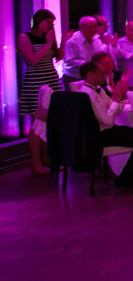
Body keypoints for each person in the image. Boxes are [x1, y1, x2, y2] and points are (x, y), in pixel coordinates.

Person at [18, 9, 64, 175]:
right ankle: (35, 162)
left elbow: (58, 57)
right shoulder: (25, 37)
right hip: (35, 83)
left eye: (52, 23)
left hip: (52, 79)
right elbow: (33, 60)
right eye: (48, 23)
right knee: (37, 123)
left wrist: (62, 42)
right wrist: (47, 44)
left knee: (52, 121)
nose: (50, 26)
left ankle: (47, 156)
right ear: (38, 20)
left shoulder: (49, 37)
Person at [78, 61, 133, 186]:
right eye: (100, 73)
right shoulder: (88, 95)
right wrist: (116, 99)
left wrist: (119, 97)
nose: (103, 75)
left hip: (107, 130)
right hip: (98, 136)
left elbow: (116, 110)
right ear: (90, 75)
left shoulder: (99, 90)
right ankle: (126, 179)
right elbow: (108, 121)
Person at [62, 16, 106, 89]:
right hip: (74, 78)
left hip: (90, 78)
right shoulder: (73, 41)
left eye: (95, 27)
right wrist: (88, 63)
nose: (93, 30)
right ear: (81, 27)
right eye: (90, 27)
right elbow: (69, 61)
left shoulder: (96, 40)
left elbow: (99, 56)